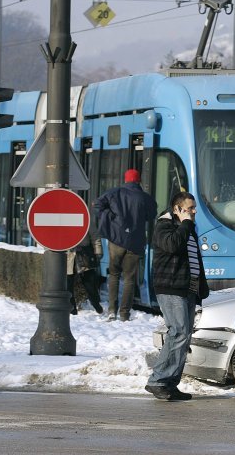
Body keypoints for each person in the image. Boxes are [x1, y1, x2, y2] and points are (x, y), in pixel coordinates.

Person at [145, 191, 210, 401]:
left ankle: (170, 383)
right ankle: (158, 380)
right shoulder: (164, 226)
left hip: (187, 288)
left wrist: (202, 286)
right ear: (177, 209)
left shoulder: (187, 228)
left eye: (194, 208)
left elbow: (194, 259)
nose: (193, 212)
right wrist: (185, 224)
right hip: (171, 287)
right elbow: (173, 245)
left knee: (184, 335)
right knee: (179, 332)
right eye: (189, 208)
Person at [94, 169, 157, 321]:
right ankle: (124, 313)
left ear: (126, 179)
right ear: (138, 181)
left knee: (114, 275)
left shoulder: (114, 193)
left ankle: (111, 310)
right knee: (129, 278)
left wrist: (109, 218)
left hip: (116, 240)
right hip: (135, 242)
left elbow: (97, 205)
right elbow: (152, 215)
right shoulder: (145, 197)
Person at [66, 225, 104, 315]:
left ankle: (96, 304)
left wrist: (98, 251)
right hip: (68, 255)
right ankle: (72, 310)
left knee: (90, 284)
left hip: (84, 254)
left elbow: (94, 235)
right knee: (68, 284)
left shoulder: (85, 214)